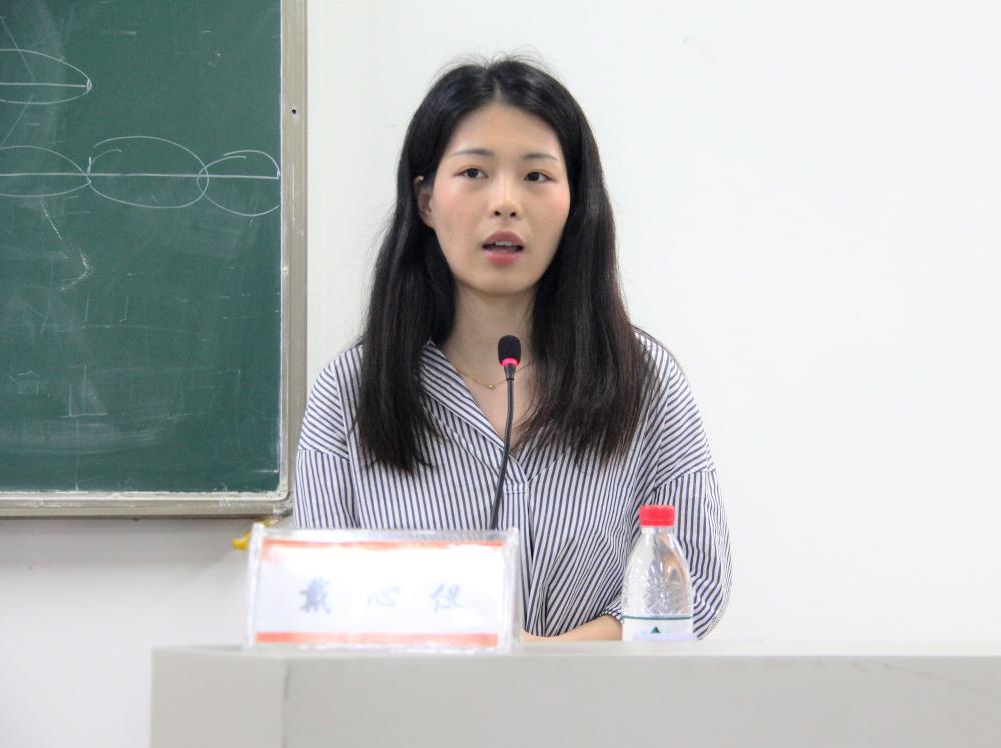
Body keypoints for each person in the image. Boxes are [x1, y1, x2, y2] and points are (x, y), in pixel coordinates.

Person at [294, 55, 732, 641]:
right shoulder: (350, 392)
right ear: (426, 200)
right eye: (474, 172)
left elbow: (696, 582)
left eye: (536, 176)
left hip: (599, 698)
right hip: (414, 701)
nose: (505, 202)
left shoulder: (643, 380)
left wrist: (547, 660)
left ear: (575, 201)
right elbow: (322, 603)